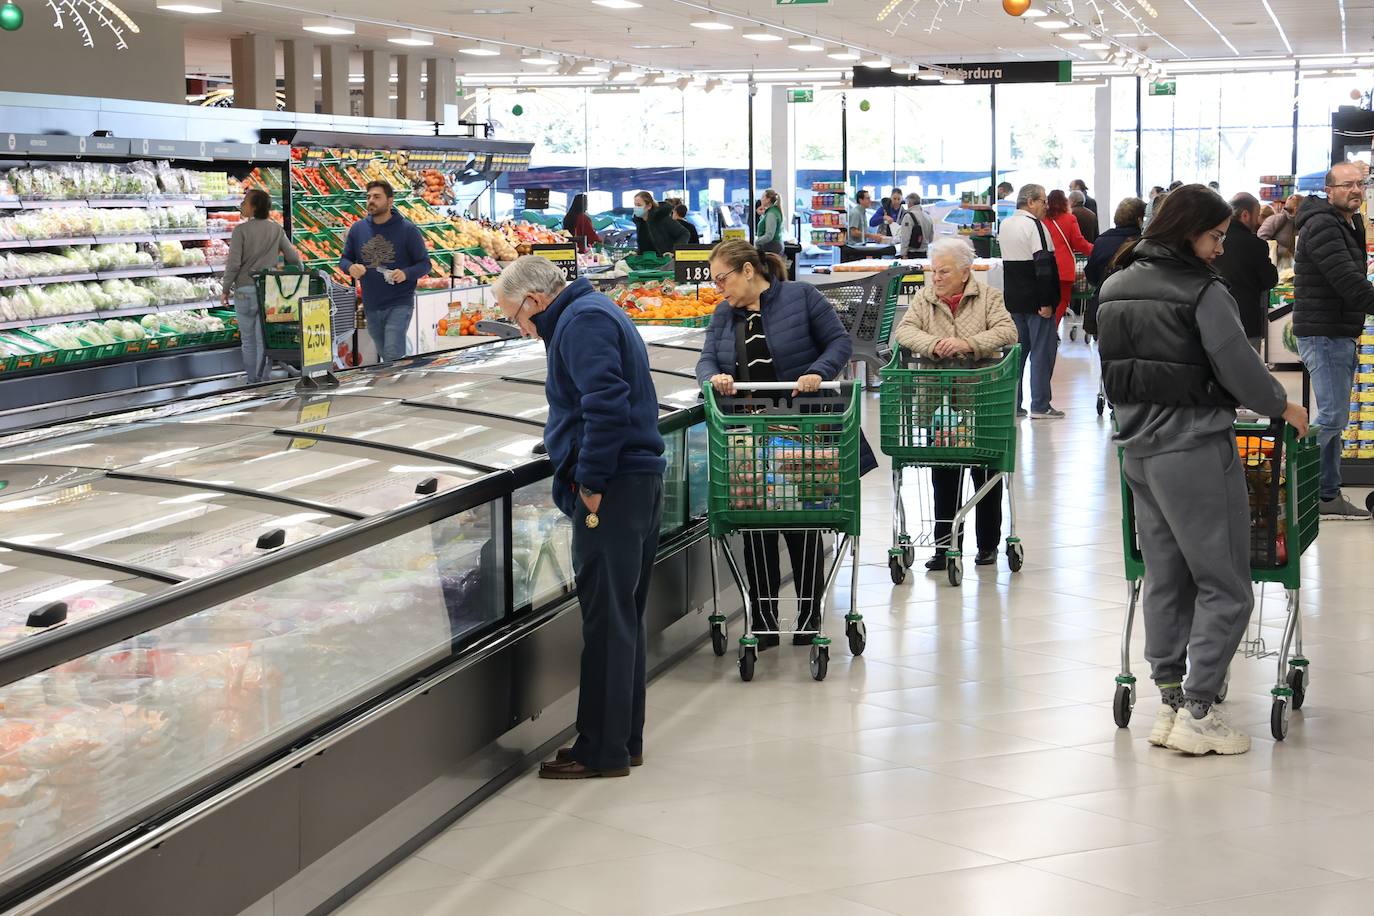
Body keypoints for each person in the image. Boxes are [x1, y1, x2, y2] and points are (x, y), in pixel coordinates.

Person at [1097, 183, 1308, 756]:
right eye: (1216, 237)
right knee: (1227, 584)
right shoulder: (1201, 290)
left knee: (1166, 577)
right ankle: (1199, 711)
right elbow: (1239, 365)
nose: (1220, 249)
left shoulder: (1114, 284)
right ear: (1189, 232)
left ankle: (1168, 704)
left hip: (1136, 451)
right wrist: (1281, 404)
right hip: (1192, 450)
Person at [494, 255, 665, 779]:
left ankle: (602, 750)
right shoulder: (591, 311)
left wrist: (589, 483)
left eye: (517, 317)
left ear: (534, 300)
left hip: (614, 488)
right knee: (621, 619)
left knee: (607, 623)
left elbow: (606, 404)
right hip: (634, 481)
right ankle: (621, 740)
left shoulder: (581, 321)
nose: (522, 330)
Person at [696, 240, 856, 649]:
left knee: (802, 521)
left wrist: (817, 373)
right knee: (755, 524)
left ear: (748, 270)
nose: (719, 289)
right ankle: (763, 619)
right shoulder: (723, 315)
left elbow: (840, 344)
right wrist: (714, 378)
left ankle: (808, 615)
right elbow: (706, 362)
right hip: (748, 436)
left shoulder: (801, 297)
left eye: (722, 279)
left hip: (802, 429)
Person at [893, 237, 1018, 569]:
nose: (936, 277)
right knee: (943, 476)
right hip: (938, 403)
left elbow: (1008, 332)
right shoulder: (924, 299)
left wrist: (968, 343)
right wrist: (935, 344)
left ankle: (988, 545)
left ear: (965, 273)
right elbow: (904, 332)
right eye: (934, 271)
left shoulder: (989, 297)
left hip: (981, 398)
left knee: (985, 474)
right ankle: (945, 547)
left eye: (944, 271)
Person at [1293, 162, 1374, 519]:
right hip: (1324, 333)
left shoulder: (1347, 223)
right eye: (1347, 185)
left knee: (1333, 416)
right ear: (1329, 190)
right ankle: (1319, 494)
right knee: (1331, 418)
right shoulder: (1324, 225)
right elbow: (1349, 283)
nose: (1355, 190)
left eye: (1360, 184)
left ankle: (1324, 492)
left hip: (1335, 330)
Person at [340, 180, 431, 363]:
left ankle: (398, 389)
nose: (371, 201)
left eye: (376, 197)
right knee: (385, 354)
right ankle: (400, 383)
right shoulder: (357, 229)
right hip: (371, 304)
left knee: (392, 353)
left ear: (390, 201)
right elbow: (344, 259)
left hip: (399, 302)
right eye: (369, 197)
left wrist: (406, 273)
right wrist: (350, 267)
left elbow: (425, 264)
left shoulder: (407, 230)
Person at [221, 188, 300, 384]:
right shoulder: (276, 229)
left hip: (244, 291)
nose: (241, 205)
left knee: (248, 341)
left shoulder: (240, 231)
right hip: (268, 293)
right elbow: (293, 257)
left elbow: (233, 264)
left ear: (254, 207)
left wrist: (225, 288)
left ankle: (252, 380)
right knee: (262, 340)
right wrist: (298, 273)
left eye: (245, 202)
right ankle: (264, 379)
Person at [1000, 183, 1061, 419]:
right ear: (1031, 202)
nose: (1046, 206)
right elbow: (1043, 267)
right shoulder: (1035, 226)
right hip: (1037, 301)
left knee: (1018, 354)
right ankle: (1040, 404)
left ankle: (1013, 404)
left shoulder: (1005, 224)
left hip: (1014, 300)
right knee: (1042, 353)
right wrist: (1047, 301)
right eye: (1043, 201)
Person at [1213, 193, 1279, 353]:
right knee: (1249, 374)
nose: (1258, 222)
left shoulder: (1211, 240)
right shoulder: (1255, 245)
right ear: (1245, 215)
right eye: (1257, 216)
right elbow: (1270, 279)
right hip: (1246, 319)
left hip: (1213, 318)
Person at [1083, 197, 1145, 338]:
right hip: (1135, 307)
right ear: (1139, 219)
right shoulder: (1142, 242)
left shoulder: (1101, 240)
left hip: (1105, 303)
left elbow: (1091, 272)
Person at [1044, 189, 1094, 327]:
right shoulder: (1069, 219)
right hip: (1063, 268)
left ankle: (1046, 329)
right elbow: (1079, 242)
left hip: (1044, 266)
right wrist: (1095, 250)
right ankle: (1052, 329)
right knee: (1062, 300)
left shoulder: (1043, 220)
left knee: (1045, 300)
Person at [633, 190, 689, 255]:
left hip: (666, 261)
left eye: (639, 205)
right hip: (648, 262)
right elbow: (646, 245)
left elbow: (684, 233)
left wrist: (673, 252)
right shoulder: (640, 222)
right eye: (635, 205)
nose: (635, 208)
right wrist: (638, 253)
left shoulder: (662, 218)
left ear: (649, 206)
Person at [1258, 193, 1302, 272]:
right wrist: (1283, 250)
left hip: (1289, 267)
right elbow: (1261, 239)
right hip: (1272, 264)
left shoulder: (1300, 224)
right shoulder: (1277, 219)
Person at [896, 192, 933, 259]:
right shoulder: (928, 216)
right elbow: (931, 238)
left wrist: (903, 253)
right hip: (924, 254)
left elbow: (905, 237)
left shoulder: (908, 216)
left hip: (912, 254)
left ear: (910, 203)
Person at [754, 188, 784, 255]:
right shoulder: (774, 211)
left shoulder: (771, 214)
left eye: (763, 197)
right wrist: (762, 215)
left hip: (771, 246)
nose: (761, 199)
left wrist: (756, 242)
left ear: (768, 200)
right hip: (774, 245)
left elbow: (769, 236)